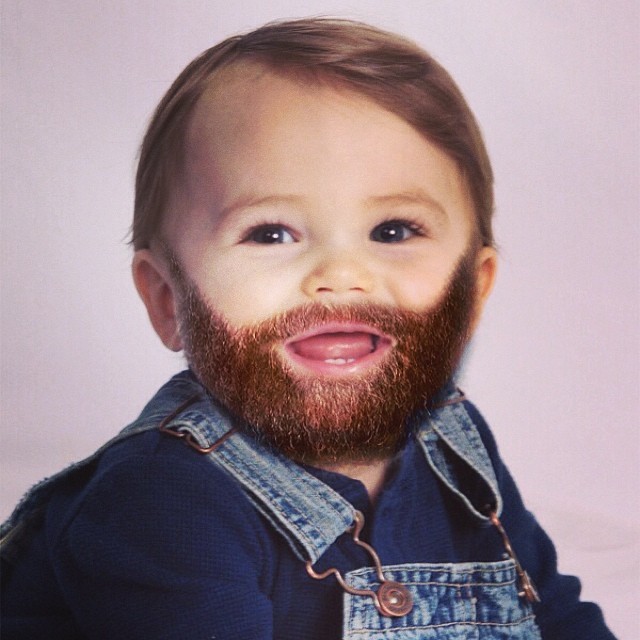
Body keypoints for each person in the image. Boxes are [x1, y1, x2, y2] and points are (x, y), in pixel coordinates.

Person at [1, 18, 615, 639]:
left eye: (394, 231)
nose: (341, 275)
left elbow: (553, 615)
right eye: (270, 233)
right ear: (168, 300)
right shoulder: (162, 501)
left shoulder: (456, 446)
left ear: (473, 291)